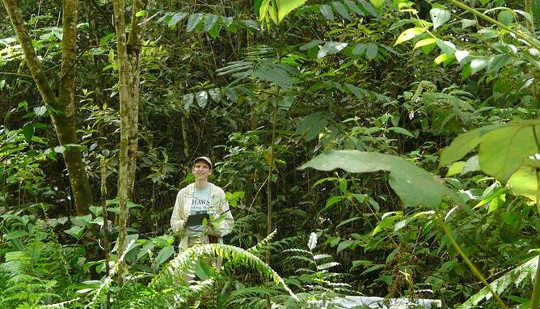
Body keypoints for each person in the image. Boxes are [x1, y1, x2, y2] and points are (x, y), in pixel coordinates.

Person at [170, 156, 234, 251]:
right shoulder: (183, 193)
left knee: (211, 266)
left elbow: (229, 223)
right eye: (198, 166)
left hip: (211, 244)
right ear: (193, 170)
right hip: (188, 245)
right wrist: (184, 223)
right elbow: (174, 222)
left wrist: (213, 223)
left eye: (205, 167)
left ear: (210, 171)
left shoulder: (218, 193)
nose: (201, 169)